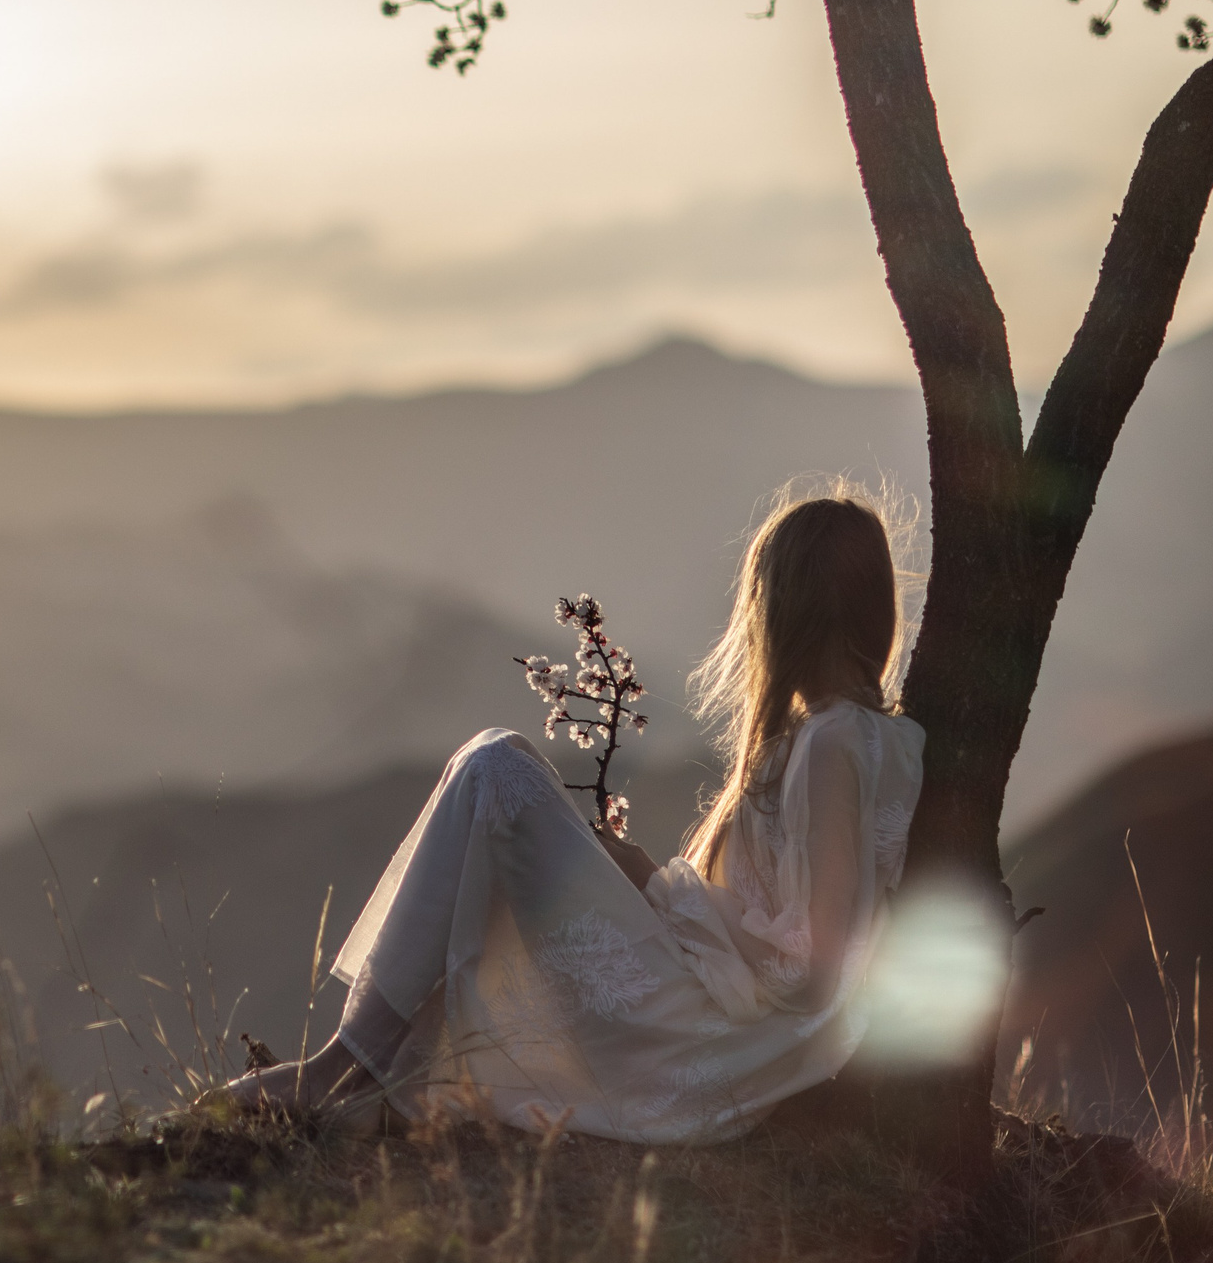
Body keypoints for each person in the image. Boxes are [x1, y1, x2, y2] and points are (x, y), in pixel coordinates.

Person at [217, 489, 925, 1144]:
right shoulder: (872, 738)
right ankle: (376, 1073)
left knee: (496, 766)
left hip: (710, 1042)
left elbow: (813, 967)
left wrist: (652, 880)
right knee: (497, 788)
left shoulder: (832, 742)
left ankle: (345, 1068)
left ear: (785, 612)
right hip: (720, 1021)